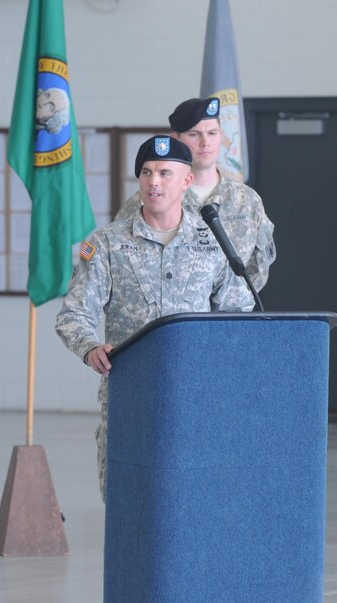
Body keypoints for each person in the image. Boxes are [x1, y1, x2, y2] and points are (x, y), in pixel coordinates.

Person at [55, 135, 254, 501]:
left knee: (194, 500)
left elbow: (239, 312)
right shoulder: (106, 244)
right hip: (130, 394)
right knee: (127, 500)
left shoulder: (211, 243)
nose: (153, 182)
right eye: (146, 173)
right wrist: (90, 348)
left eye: (164, 173)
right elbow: (73, 314)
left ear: (186, 181)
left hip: (196, 396)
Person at [114, 97, 276, 290]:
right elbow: (119, 261)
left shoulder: (247, 201)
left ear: (221, 135)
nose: (205, 142)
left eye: (212, 133)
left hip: (230, 315)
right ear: (175, 139)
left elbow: (258, 268)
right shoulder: (148, 200)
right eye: (194, 134)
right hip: (168, 316)